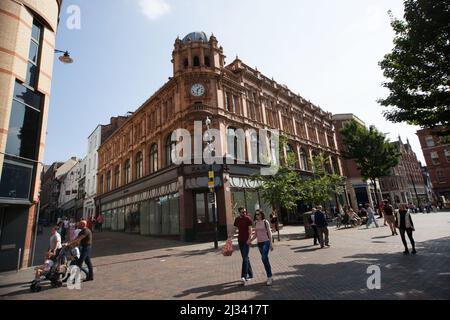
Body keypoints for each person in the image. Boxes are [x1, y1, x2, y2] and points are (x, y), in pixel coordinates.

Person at [248, 211, 273, 286]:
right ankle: (270, 276)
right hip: (260, 243)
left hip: (266, 242)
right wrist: (250, 240)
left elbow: (269, 233)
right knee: (265, 260)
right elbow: (256, 234)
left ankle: (269, 277)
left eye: (258, 214)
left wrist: (271, 244)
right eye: (256, 214)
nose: (257, 215)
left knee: (264, 258)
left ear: (262, 214)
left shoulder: (265, 222)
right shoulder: (255, 223)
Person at [232, 208, 254, 285]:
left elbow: (250, 230)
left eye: (245, 211)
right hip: (240, 240)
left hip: (246, 241)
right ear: (239, 212)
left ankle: (243, 276)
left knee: (245, 258)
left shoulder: (248, 219)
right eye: (242, 212)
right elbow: (234, 229)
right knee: (245, 257)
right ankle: (251, 274)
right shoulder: (237, 219)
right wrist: (230, 237)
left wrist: (249, 239)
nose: (244, 213)